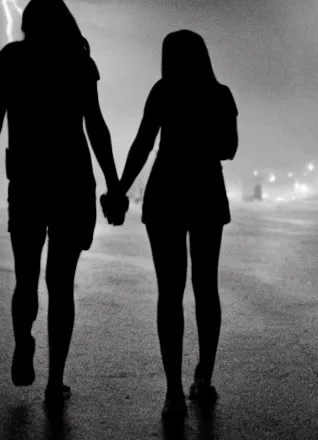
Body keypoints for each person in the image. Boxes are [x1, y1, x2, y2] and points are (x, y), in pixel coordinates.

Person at [0, 0, 120, 405]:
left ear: (28, 23)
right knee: (62, 285)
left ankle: (22, 340)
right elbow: (96, 126)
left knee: (26, 278)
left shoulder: (11, 59)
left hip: (28, 181)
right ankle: (55, 382)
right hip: (72, 181)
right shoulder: (79, 63)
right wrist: (114, 182)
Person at [107, 30, 237, 420]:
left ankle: (173, 393)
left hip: (165, 193)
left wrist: (119, 190)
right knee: (205, 287)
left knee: (170, 292)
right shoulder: (221, 94)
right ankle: (203, 376)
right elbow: (228, 148)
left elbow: (143, 144)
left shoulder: (162, 90)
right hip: (205, 191)